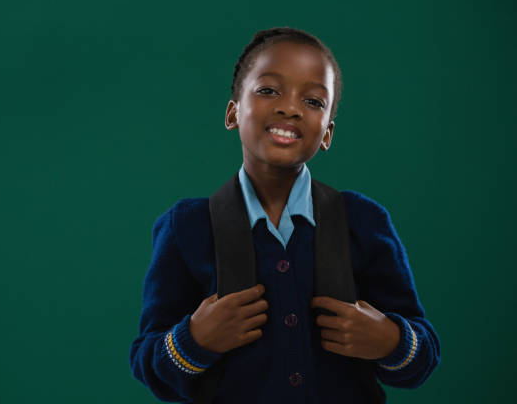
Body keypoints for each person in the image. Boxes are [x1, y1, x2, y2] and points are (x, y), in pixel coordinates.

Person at [129, 27, 441, 403]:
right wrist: (194, 340)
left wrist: (390, 340)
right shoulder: (187, 227)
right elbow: (148, 364)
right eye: (268, 90)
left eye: (313, 101)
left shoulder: (363, 220)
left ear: (327, 133)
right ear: (233, 112)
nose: (290, 108)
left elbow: (422, 355)